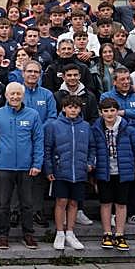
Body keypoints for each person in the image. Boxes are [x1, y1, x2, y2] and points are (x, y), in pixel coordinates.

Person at [0, 81, 44, 250]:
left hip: (26, 167)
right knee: (3, 203)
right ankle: (3, 235)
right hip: (4, 166)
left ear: (23, 96)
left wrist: (37, 163)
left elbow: (38, 141)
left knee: (27, 203)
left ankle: (28, 234)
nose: (15, 97)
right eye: (12, 94)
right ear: (6, 95)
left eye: (18, 94)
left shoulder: (32, 115)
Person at [90, 97, 135, 252]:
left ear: (117, 111)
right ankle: (107, 233)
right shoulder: (96, 129)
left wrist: (129, 161)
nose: (109, 114)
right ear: (101, 113)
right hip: (104, 172)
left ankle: (120, 234)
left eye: (112, 110)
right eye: (106, 111)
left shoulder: (127, 128)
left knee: (121, 203)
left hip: (123, 171)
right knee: (105, 202)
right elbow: (92, 148)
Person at [45, 95, 93, 251]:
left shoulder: (85, 126)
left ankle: (70, 233)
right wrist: (49, 168)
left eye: (76, 107)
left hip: (79, 171)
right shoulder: (54, 125)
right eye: (70, 107)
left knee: (74, 203)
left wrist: (90, 162)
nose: (73, 110)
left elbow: (92, 147)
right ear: (64, 108)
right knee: (61, 202)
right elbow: (48, 149)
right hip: (61, 171)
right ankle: (59, 233)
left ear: (80, 109)